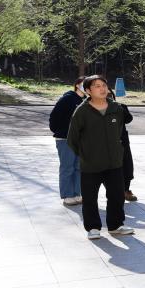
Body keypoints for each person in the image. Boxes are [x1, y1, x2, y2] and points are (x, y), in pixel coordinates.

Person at [67, 75, 133, 239]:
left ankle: (116, 225)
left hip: (114, 163)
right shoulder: (82, 111)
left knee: (116, 196)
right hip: (91, 164)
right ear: (88, 90)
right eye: (97, 86)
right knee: (90, 198)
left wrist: (118, 151)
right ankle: (93, 228)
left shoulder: (116, 108)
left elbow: (120, 133)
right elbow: (72, 139)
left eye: (104, 85)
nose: (102, 88)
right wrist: (86, 154)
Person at [49, 77, 85, 206]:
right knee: (67, 167)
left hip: (80, 140)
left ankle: (77, 193)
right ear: (77, 85)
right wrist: (61, 132)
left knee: (79, 167)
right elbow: (54, 118)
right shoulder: (67, 98)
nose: (86, 86)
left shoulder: (85, 101)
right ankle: (67, 195)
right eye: (84, 84)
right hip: (65, 139)